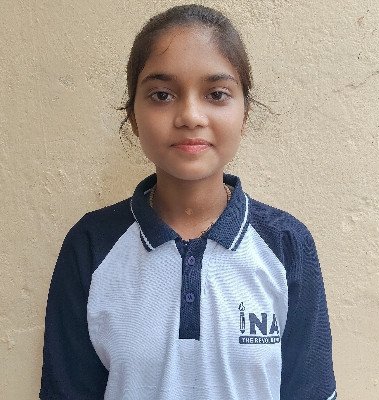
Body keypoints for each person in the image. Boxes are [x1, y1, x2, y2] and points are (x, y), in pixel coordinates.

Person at [40, 4, 336, 400]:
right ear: (133, 115)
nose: (191, 116)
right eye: (162, 95)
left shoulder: (287, 246)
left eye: (216, 94)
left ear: (245, 113)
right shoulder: (91, 245)